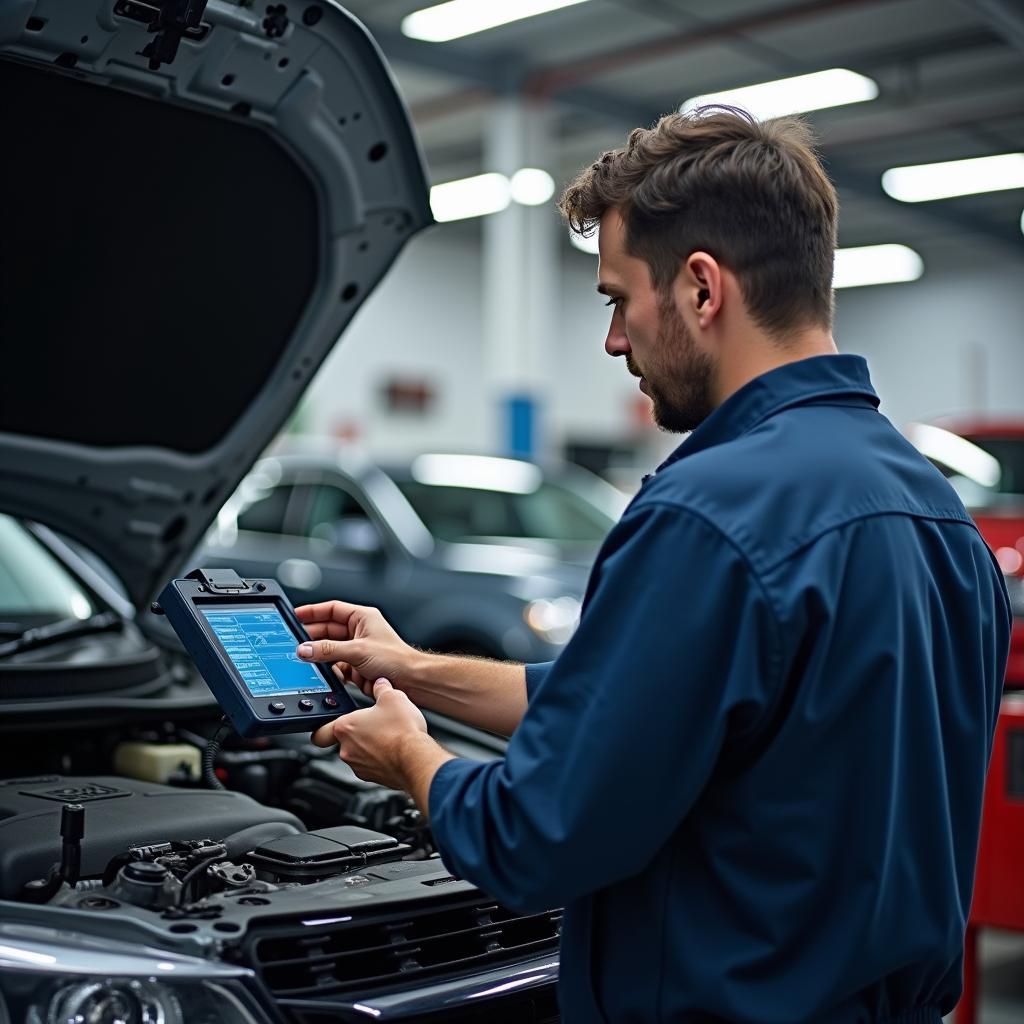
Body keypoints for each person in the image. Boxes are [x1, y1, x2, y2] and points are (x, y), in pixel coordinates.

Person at [296, 107, 1011, 1023]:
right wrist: (415, 671)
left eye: (617, 299)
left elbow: (537, 836)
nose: (613, 339)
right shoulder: (938, 512)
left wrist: (411, 759)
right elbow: (654, 707)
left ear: (702, 289)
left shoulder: (708, 513)